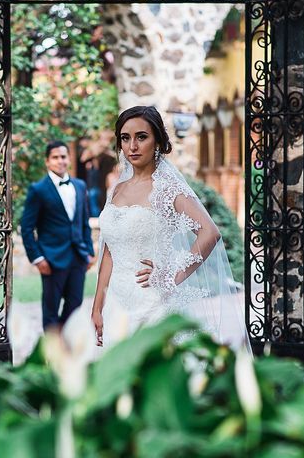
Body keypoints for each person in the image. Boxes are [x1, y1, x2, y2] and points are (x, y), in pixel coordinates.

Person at [91, 106, 250, 351]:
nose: (132, 146)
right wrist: (98, 305)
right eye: (125, 138)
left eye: (141, 137)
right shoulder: (117, 190)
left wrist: (172, 274)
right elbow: (110, 251)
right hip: (117, 304)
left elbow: (210, 232)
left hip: (153, 301)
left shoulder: (167, 189)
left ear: (157, 142)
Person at [21, 141, 95, 330]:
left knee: (76, 304)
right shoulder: (38, 190)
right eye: (55, 157)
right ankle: (52, 355)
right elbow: (27, 227)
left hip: (78, 258)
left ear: (69, 159)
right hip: (51, 260)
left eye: (63, 156)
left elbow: (84, 222)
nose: (60, 161)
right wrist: (37, 258)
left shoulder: (80, 185)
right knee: (51, 310)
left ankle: (61, 342)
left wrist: (90, 251)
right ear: (47, 161)